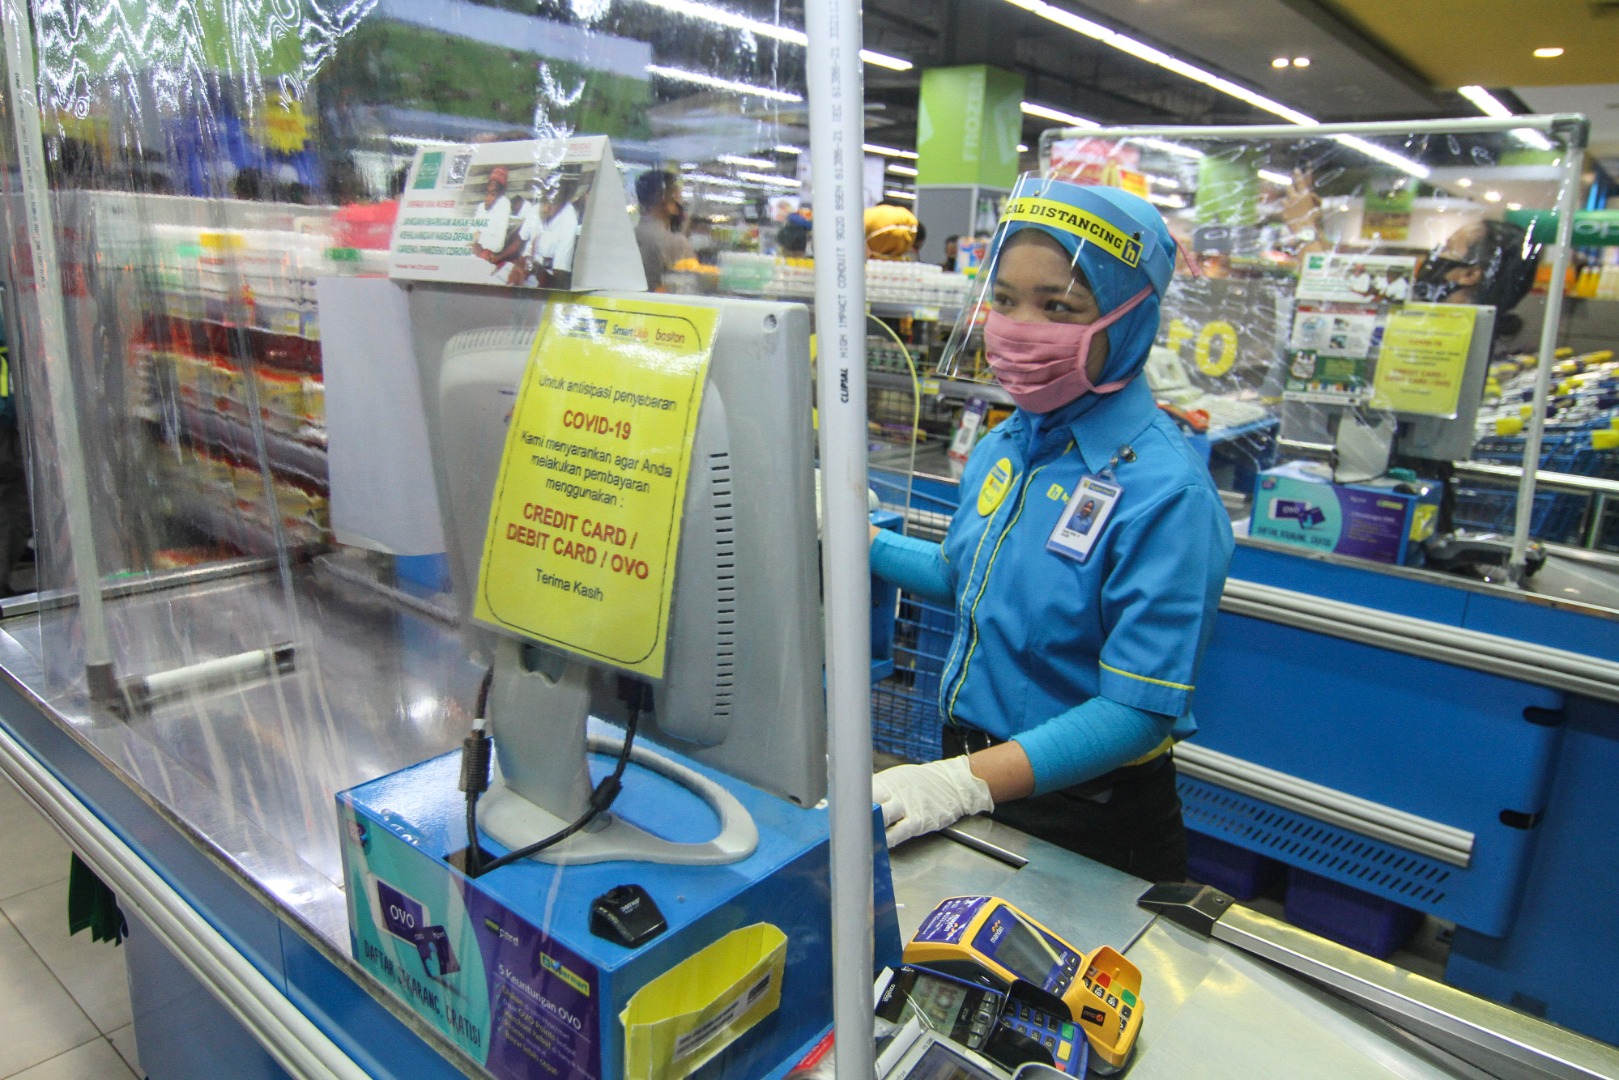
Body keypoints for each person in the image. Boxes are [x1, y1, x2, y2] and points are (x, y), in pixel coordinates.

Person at [867, 178, 1233, 883]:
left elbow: (1136, 710)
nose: (1018, 327)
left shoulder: (1167, 494)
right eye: (1004, 300)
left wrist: (960, 782)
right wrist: (864, 542)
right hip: (971, 772)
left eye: (1057, 306)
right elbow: (966, 576)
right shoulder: (1008, 443)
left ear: (1131, 318)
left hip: (1088, 815)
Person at [634, 169, 696, 290]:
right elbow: (692, 287)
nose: (681, 201)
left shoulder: (630, 237)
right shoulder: (677, 243)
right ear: (665, 199)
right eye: (677, 194)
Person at [518, 180, 581, 288]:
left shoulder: (569, 219)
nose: (546, 208)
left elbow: (559, 277)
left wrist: (537, 269)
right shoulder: (536, 208)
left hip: (544, 276)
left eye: (554, 203)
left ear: (563, 203)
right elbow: (520, 239)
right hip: (524, 268)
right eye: (545, 201)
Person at [470, 167, 516, 266]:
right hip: (473, 253)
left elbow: (498, 245)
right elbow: (469, 236)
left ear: (500, 195)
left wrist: (479, 236)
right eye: (487, 193)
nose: (487, 198)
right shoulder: (482, 207)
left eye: (493, 194)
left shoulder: (504, 205)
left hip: (486, 258)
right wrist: (476, 239)